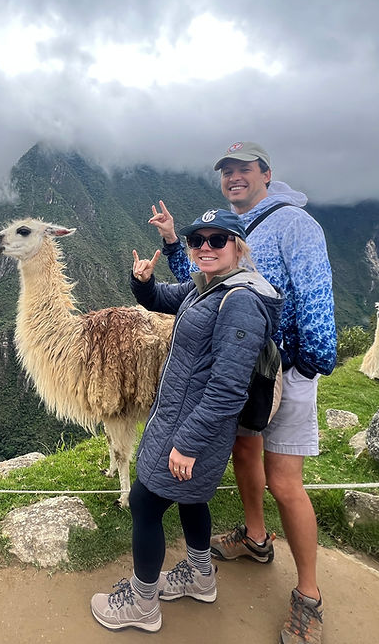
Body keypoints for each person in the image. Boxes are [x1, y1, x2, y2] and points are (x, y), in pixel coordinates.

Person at [148, 142, 337, 644]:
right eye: (227, 171)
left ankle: (309, 595)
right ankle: (255, 538)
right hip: (243, 372)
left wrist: (309, 362)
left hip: (285, 368)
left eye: (244, 170)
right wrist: (174, 242)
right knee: (245, 454)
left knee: (286, 482)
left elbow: (315, 291)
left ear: (266, 174)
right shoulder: (235, 227)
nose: (234, 177)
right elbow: (202, 285)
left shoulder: (296, 224)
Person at [90, 208, 283, 632]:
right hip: (179, 417)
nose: (205, 247)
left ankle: (142, 603)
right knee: (193, 498)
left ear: (238, 246)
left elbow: (229, 388)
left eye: (217, 240)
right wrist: (142, 282)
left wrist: (189, 443)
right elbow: (161, 300)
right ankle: (200, 577)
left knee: (145, 504)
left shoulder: (241, 302)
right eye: (198, 241)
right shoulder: (207, 287)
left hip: (193, 427)